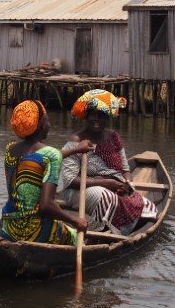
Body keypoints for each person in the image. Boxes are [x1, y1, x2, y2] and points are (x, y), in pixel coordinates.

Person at [59, 89, 157, 235]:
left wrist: (127, 184)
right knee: (106, 197)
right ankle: (93, 233)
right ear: (87, 116)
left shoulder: (114, 137)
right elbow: (69, 179)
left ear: (107, 118)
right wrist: (105, 183)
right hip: (78, 190)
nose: (97, 119)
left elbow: (125, 169)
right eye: (93, 115)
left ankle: (115, 231)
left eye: (101, 115)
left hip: (113, 186)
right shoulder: (77, 141)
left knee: (150, 209)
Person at [0, 100, 92, 244]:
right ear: (41, 124)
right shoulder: (51, 155)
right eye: (47, 119)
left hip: (8, 228)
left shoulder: (10, 150)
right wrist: (75, 220)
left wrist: (77, 149)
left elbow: (40, 157)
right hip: (35, 231)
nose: (49, 124)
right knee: (76, 236)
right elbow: (46, 206)